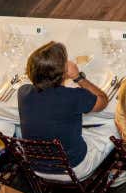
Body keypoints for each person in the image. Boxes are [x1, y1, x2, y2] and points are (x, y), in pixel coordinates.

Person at [17, 41, 114, 179]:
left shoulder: (23, 92)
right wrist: (77, 77)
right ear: (63, 72)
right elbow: (103, 100)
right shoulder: (72, 96)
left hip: (36, 167)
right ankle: (117, 172)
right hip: (73, 168)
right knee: (114, 122)